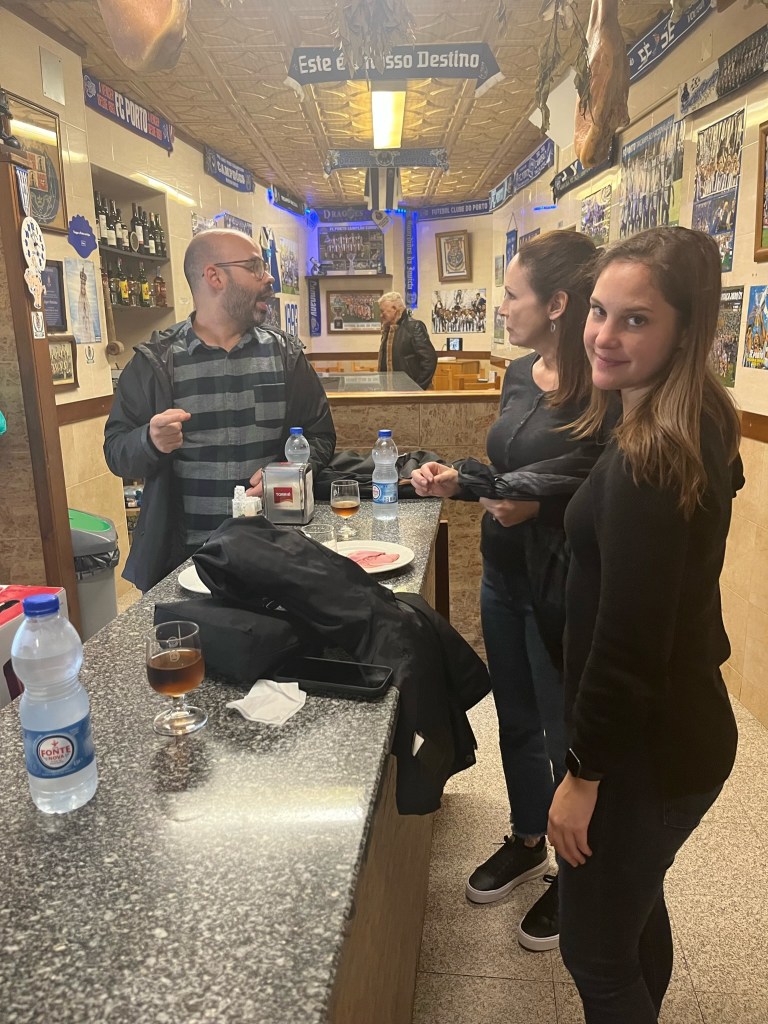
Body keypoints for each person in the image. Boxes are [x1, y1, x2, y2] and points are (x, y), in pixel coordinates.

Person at [548, 227, 742, 1022]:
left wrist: (580, 776)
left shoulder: (648, 459)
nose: (603, 335)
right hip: (677, 730)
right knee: (632, 913)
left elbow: (628, 648)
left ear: (685, 334)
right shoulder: (690, 418)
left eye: (636, 320)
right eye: (600, 311)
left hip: (646, 753)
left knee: (594, 953)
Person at [411, 230, 608, 951]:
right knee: (516, 718)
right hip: (503, 575)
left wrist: (532, 505)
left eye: (513, 294)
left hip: (563, 585)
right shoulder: (521, 372)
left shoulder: (605, 386)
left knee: (562, 730)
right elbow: (511, 466)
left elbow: (598, 482)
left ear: (557, 304)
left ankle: (574, 872)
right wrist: (458, 478)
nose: (501, 307)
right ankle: (528, 837)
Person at [104, 228, 336, 592]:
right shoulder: (156, 362)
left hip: (273, 550)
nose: (269, 278)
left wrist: (288, 470)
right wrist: (150, 441)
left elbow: (320, 435)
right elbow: (116, 451)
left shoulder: (285, 356)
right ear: (214, 276)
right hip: (182, 560)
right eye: (255, 267)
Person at [377, 291, 437, 389]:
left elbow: (429, 360)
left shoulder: (414, 327)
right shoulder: (387, 330)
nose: (381, 315)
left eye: (383, 311)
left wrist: (418, 387)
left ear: (394, 309)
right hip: (391, 390)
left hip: (410, 391)